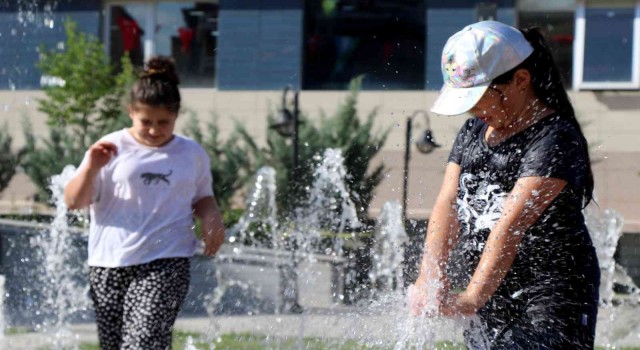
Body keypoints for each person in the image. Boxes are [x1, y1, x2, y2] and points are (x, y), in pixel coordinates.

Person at [408, 21, 600, 349]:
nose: (471, 109)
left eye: (478, 97)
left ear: (520, 80)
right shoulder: (472, 132)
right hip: (490, 284)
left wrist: (470, 299)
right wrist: (430, 277)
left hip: (549, 295)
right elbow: (447, 205)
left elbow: (511, 226)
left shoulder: (553, 138)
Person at [64, 56, 226, 350]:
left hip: (167, 260)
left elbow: (203, 197)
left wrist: (211, 216)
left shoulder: (191, 153)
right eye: (146, 122)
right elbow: (74, 201)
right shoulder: (109, 147)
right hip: (109, 261)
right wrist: (91, 167)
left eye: (163, 122)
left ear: (176, 115)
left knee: (143, 342)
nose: (154, 130)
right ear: (131, 112)